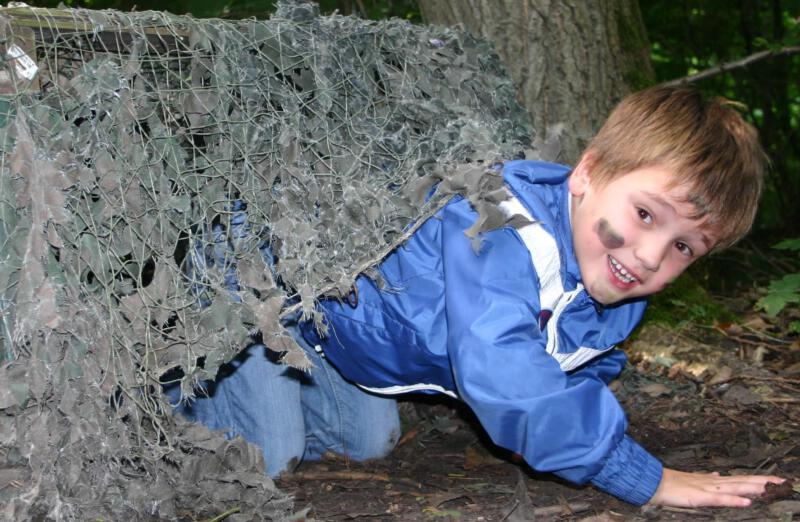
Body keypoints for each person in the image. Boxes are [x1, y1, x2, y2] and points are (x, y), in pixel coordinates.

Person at [167, 86, 785, 507]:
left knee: (368, 442)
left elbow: (585, 361)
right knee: (270, 454)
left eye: (684, 248)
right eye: (646, 215)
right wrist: (639, 476)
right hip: (255, 287)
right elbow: (509, 374)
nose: (651, 256)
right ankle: (151, 404)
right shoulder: (500, 229)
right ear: (588, 173)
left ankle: (264, 396)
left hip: (333, 337)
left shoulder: (613, 280)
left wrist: (598, 423)